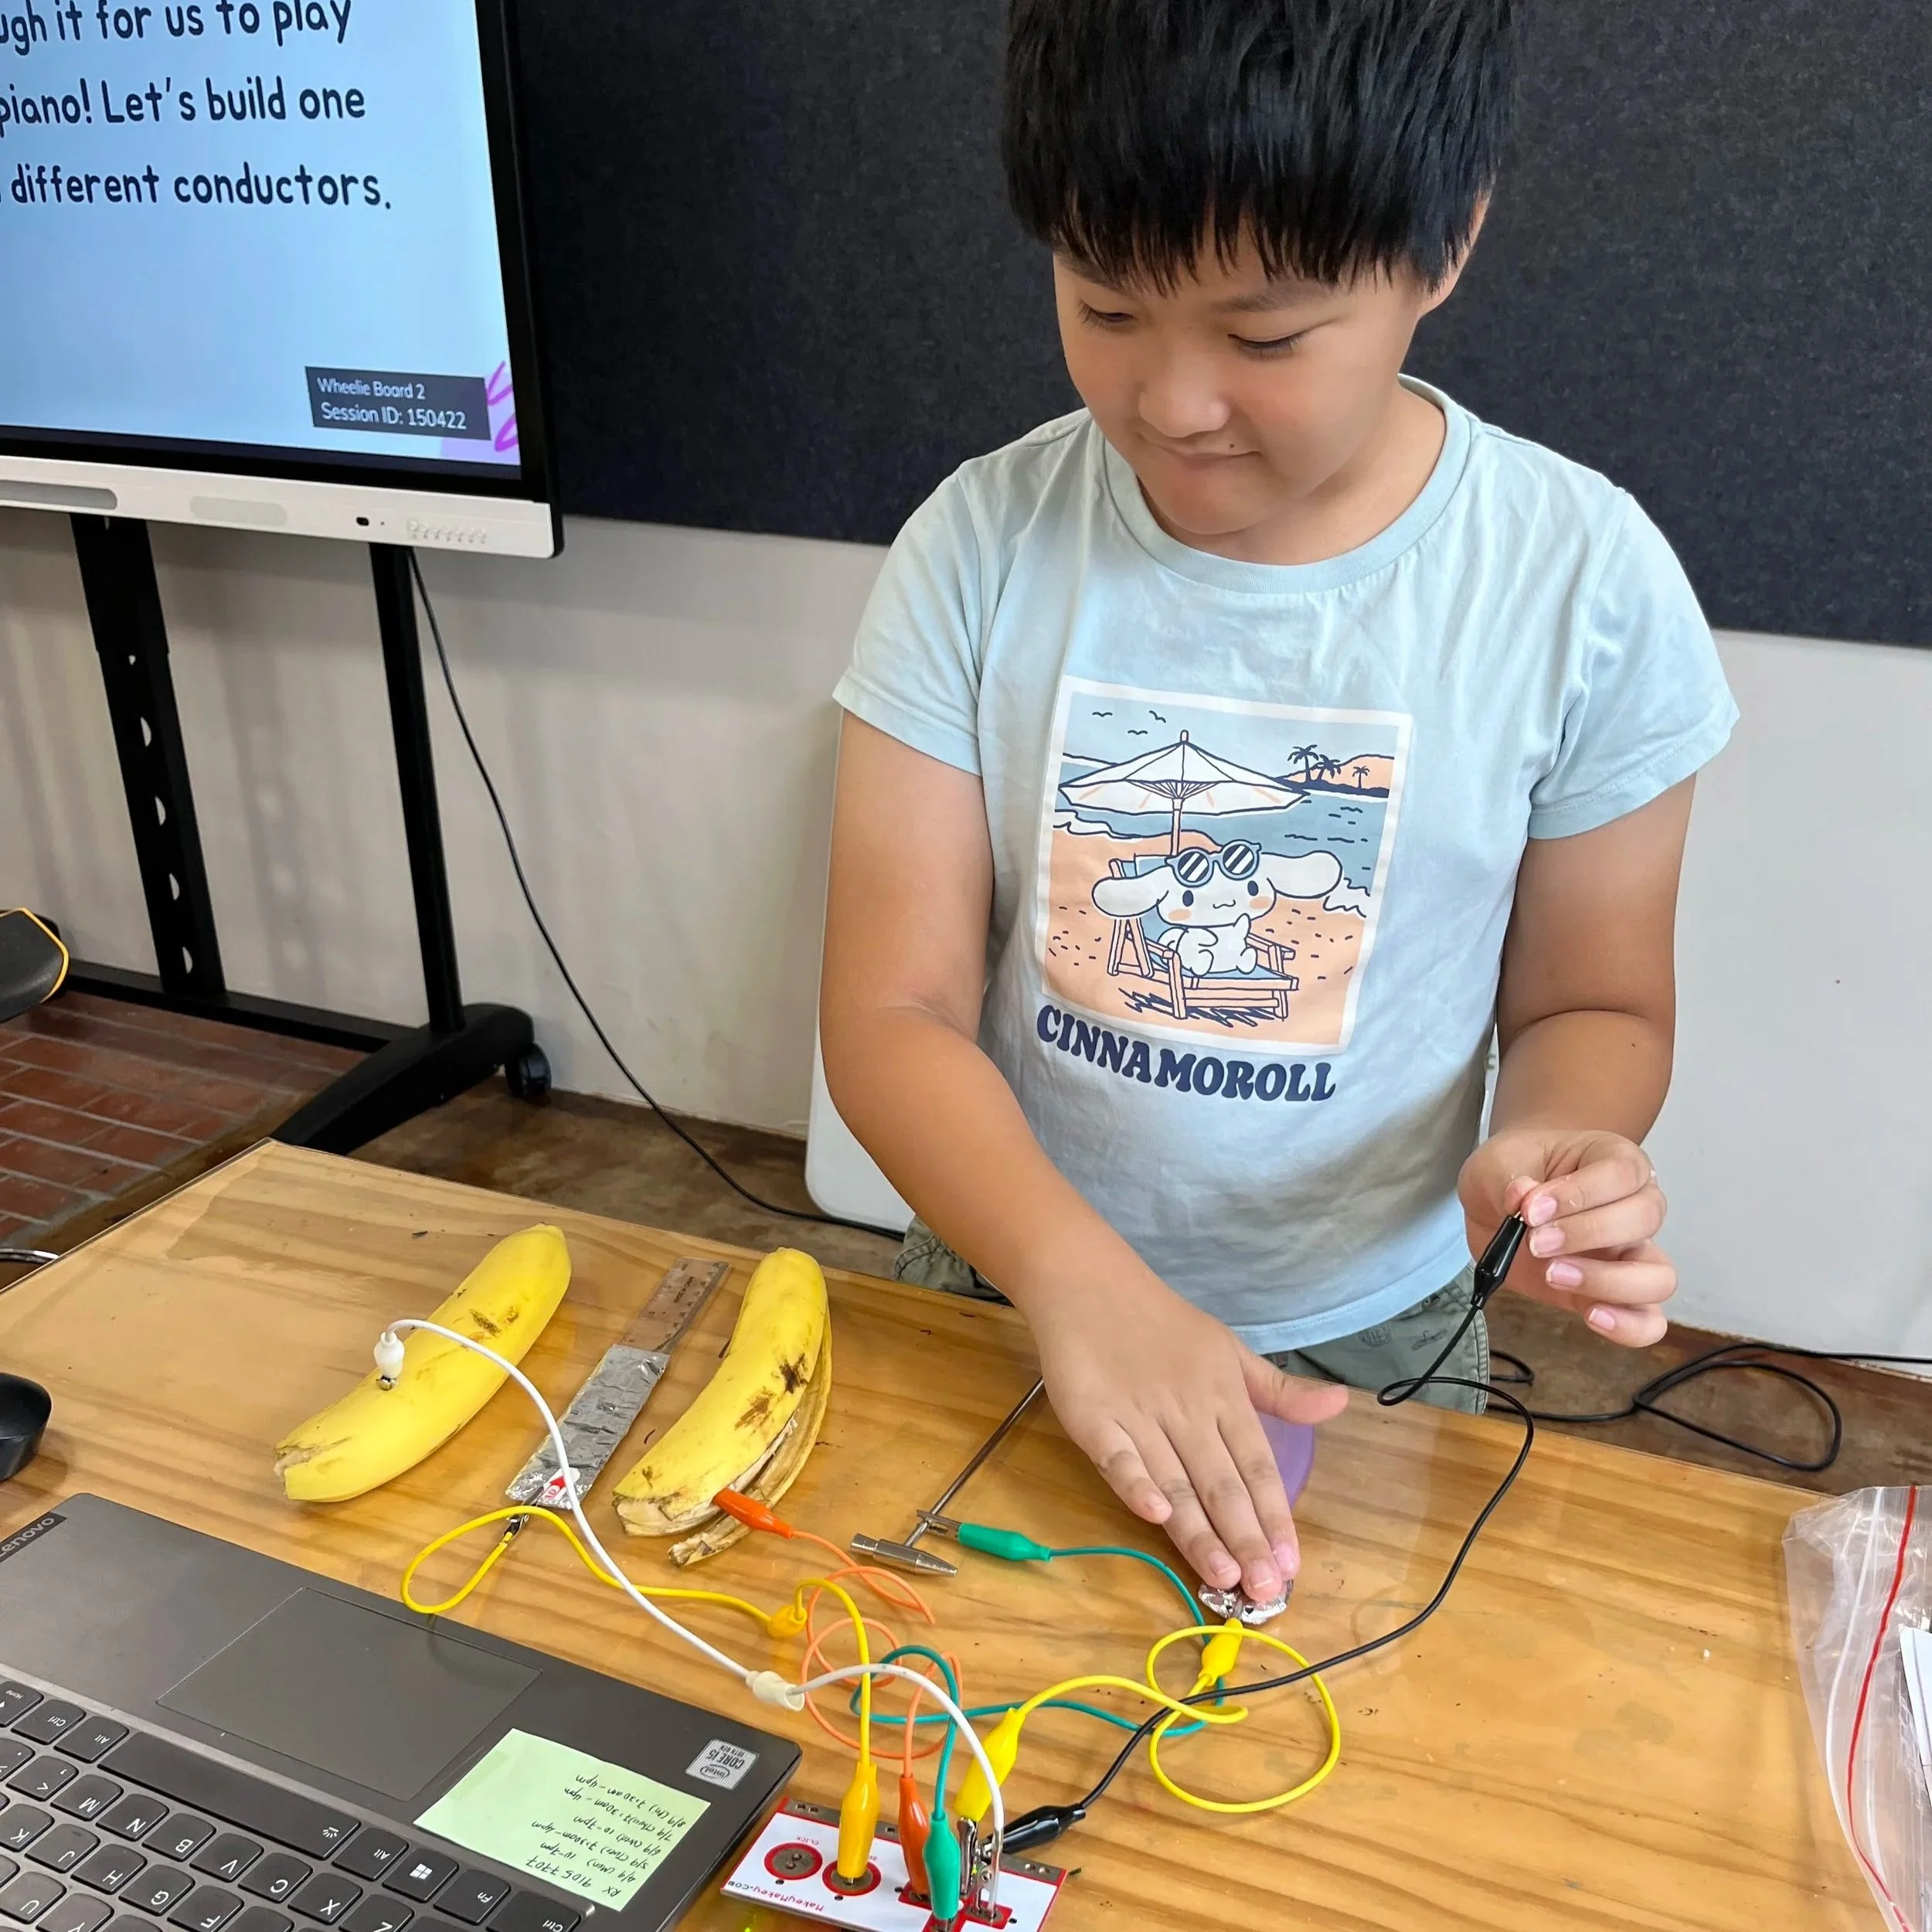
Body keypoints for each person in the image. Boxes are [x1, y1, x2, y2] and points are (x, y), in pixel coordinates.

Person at [819, 0, 1736, 1609]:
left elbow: (1591, 995)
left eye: (1261, 338)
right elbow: (889, 1009)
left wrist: (1545, 1143)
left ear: (1440, 244)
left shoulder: (1579, 583)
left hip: (1365, 1317)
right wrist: (1071, 1276)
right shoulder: (977, 544)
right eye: (1103, 304)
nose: (1171, 401)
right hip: (1005, 1261)